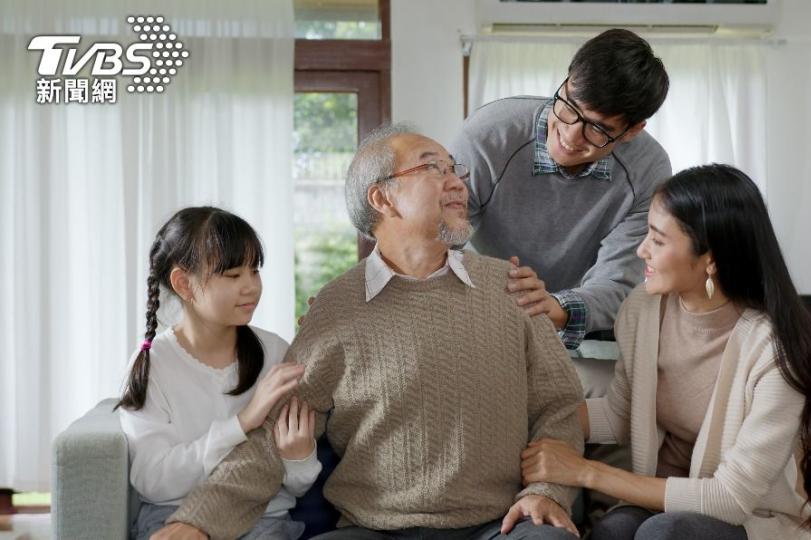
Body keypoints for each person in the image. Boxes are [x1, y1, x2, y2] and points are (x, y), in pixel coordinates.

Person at [148, 126, 585, 540]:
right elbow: (269, 440)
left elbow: (559, 404)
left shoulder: (509, 287)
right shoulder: (335, 310)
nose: (457, 183)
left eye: (456, 170)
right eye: (434, 168)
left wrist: (546, 491)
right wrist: (198, 523)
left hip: (499, 525)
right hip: (373, 530)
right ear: (382, 198)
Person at [519, 164, 811, 540]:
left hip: (750, 521)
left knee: (666, 533)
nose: (642, 250)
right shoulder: (643, 309)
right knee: (613, 529)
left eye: (658, 241)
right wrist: (525, 414)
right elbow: (622, 414)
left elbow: (730, 498)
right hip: (660, 505)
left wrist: (583, 470)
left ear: (711, 259)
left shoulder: (777, 352)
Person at [450, 28, 672, 355]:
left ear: (633, 130)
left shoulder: (646, 169)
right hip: (487, 304)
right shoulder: (489, 136)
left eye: (597, 129)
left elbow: (619, 282)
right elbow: (440, 239)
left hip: (585, 323)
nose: (569, 135)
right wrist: (488, 285)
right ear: (567, 81)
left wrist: (555, 306)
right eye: (569, 107)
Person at [116, 206, 322, 540]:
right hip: (175, 518)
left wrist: (300, 458)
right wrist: (242, 423)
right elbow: (153, 481)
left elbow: (295, 486)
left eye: (254, 271)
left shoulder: (276, 353)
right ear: (184, 283)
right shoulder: (153, 366)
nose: (251, 287)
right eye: (233, 275)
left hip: (263, 519)